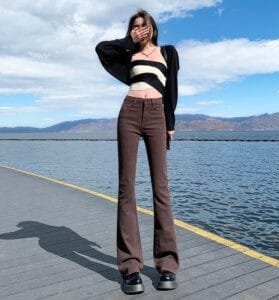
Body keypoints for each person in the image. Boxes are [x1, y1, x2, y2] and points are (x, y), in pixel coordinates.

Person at [95, 9, 180, 294]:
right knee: (126, 189)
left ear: (153, 28)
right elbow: (102, 49)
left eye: (144, 26)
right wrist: (127, 40)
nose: (141, 30)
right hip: (129, 113)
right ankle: (131, 268)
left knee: (161, 189)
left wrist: (170, 123)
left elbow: (172, 92)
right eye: (136, 27)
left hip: (157, 115)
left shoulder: (168, 52)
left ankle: (167, 264)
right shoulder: (127, 52)